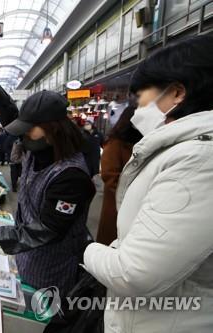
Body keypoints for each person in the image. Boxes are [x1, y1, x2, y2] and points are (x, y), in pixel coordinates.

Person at [83, 35, 213, 332]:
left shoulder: (198, 159)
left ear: (177, 93)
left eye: (139, 96)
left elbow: (135, 272)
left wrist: (87, 249)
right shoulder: (179, 150)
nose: (136, 107)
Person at [0, 85, 96, 297]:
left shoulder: (71, 177)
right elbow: (12, 116)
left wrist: (4, 235)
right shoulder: (37, 150)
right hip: (25, 255)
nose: (23, 135)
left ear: (53, 129)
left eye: (28, 129)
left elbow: (49, 229)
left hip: (51, 270)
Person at [96, 106, 142, 245]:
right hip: (117, 206)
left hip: (140, 207)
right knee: (113, 243)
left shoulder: (148, 141)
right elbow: (109, 175)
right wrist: (134, 195)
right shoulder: (116, 143)